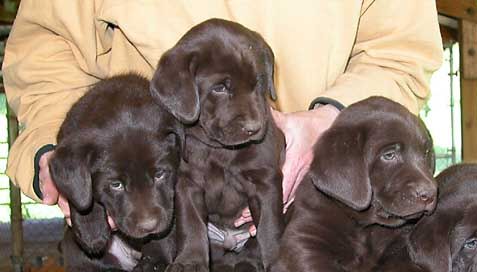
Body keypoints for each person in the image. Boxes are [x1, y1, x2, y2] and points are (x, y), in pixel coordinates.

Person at [3, 0, 443, 232]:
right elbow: (45, 52)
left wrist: (332, 124)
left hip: (315, 208)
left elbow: (399, 53)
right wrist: (57, 145)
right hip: (148, 211)